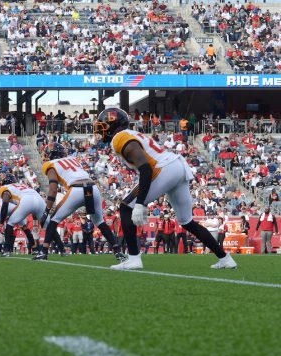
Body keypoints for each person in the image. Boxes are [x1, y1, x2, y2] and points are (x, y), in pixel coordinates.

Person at [94, 107, 236, 270]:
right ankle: (225, 259)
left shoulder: (119, 138)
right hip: (176, 167)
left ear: (114, 124)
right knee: (187, 222)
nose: (101, 129)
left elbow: (146, 169)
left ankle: (134, 259)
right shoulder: (130, 134)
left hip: (163, 169)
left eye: (103, 125)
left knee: (126, 207)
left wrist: (140, 203)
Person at [34, 143, 123, 261]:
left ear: (50, 154)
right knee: (100, 222)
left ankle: (44, 252)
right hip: (92, 188)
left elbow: (53, 189)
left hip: (76, 189)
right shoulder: (73, 159)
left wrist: (46, 211)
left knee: (53, 220)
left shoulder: (51, 164)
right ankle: (118, 251)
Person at [0, 181, 44, 256]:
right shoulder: (4, 188)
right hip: (15, 206)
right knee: (24, 227)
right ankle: (35, 249)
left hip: (4, 207)